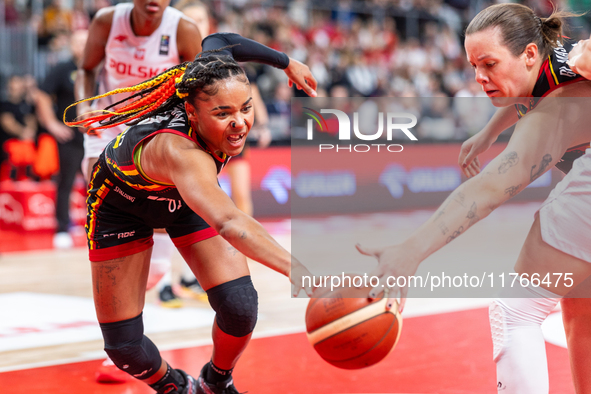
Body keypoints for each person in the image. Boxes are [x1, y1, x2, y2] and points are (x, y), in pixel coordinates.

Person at [356, 4, 591, 393]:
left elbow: (489, 188)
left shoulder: (558, 104)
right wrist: (488, 132)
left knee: (515, 310)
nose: (480, 78)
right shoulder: (552, 62)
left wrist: (411, 250)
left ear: (530, 54)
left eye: (489, 64)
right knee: (581, 305)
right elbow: (525, 91)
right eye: (473, 66)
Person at [65, 33, 316, 394]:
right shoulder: (181, 151)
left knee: (241, 307)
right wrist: (300, 271)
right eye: (223, 113)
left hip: (182, 200)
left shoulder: (212, 76)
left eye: (245, 108)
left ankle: (216, 381)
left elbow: (221, 39)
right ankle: (175, 386)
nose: (240, 123)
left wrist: (286, 62)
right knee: (124, 349)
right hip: (119, 207)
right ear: (192, 113)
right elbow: (229, 221)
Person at [35, 29, 88, 249]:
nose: (82, 46)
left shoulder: (100, 67)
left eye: (86, 42)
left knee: (99, 182)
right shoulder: (62, 69)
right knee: (66, 181)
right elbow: (41, 94)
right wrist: (52, 124)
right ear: (71, 45)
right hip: (70, 136)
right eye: (77, 42)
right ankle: (62, 228)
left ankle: (100, 226)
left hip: (95, 135)